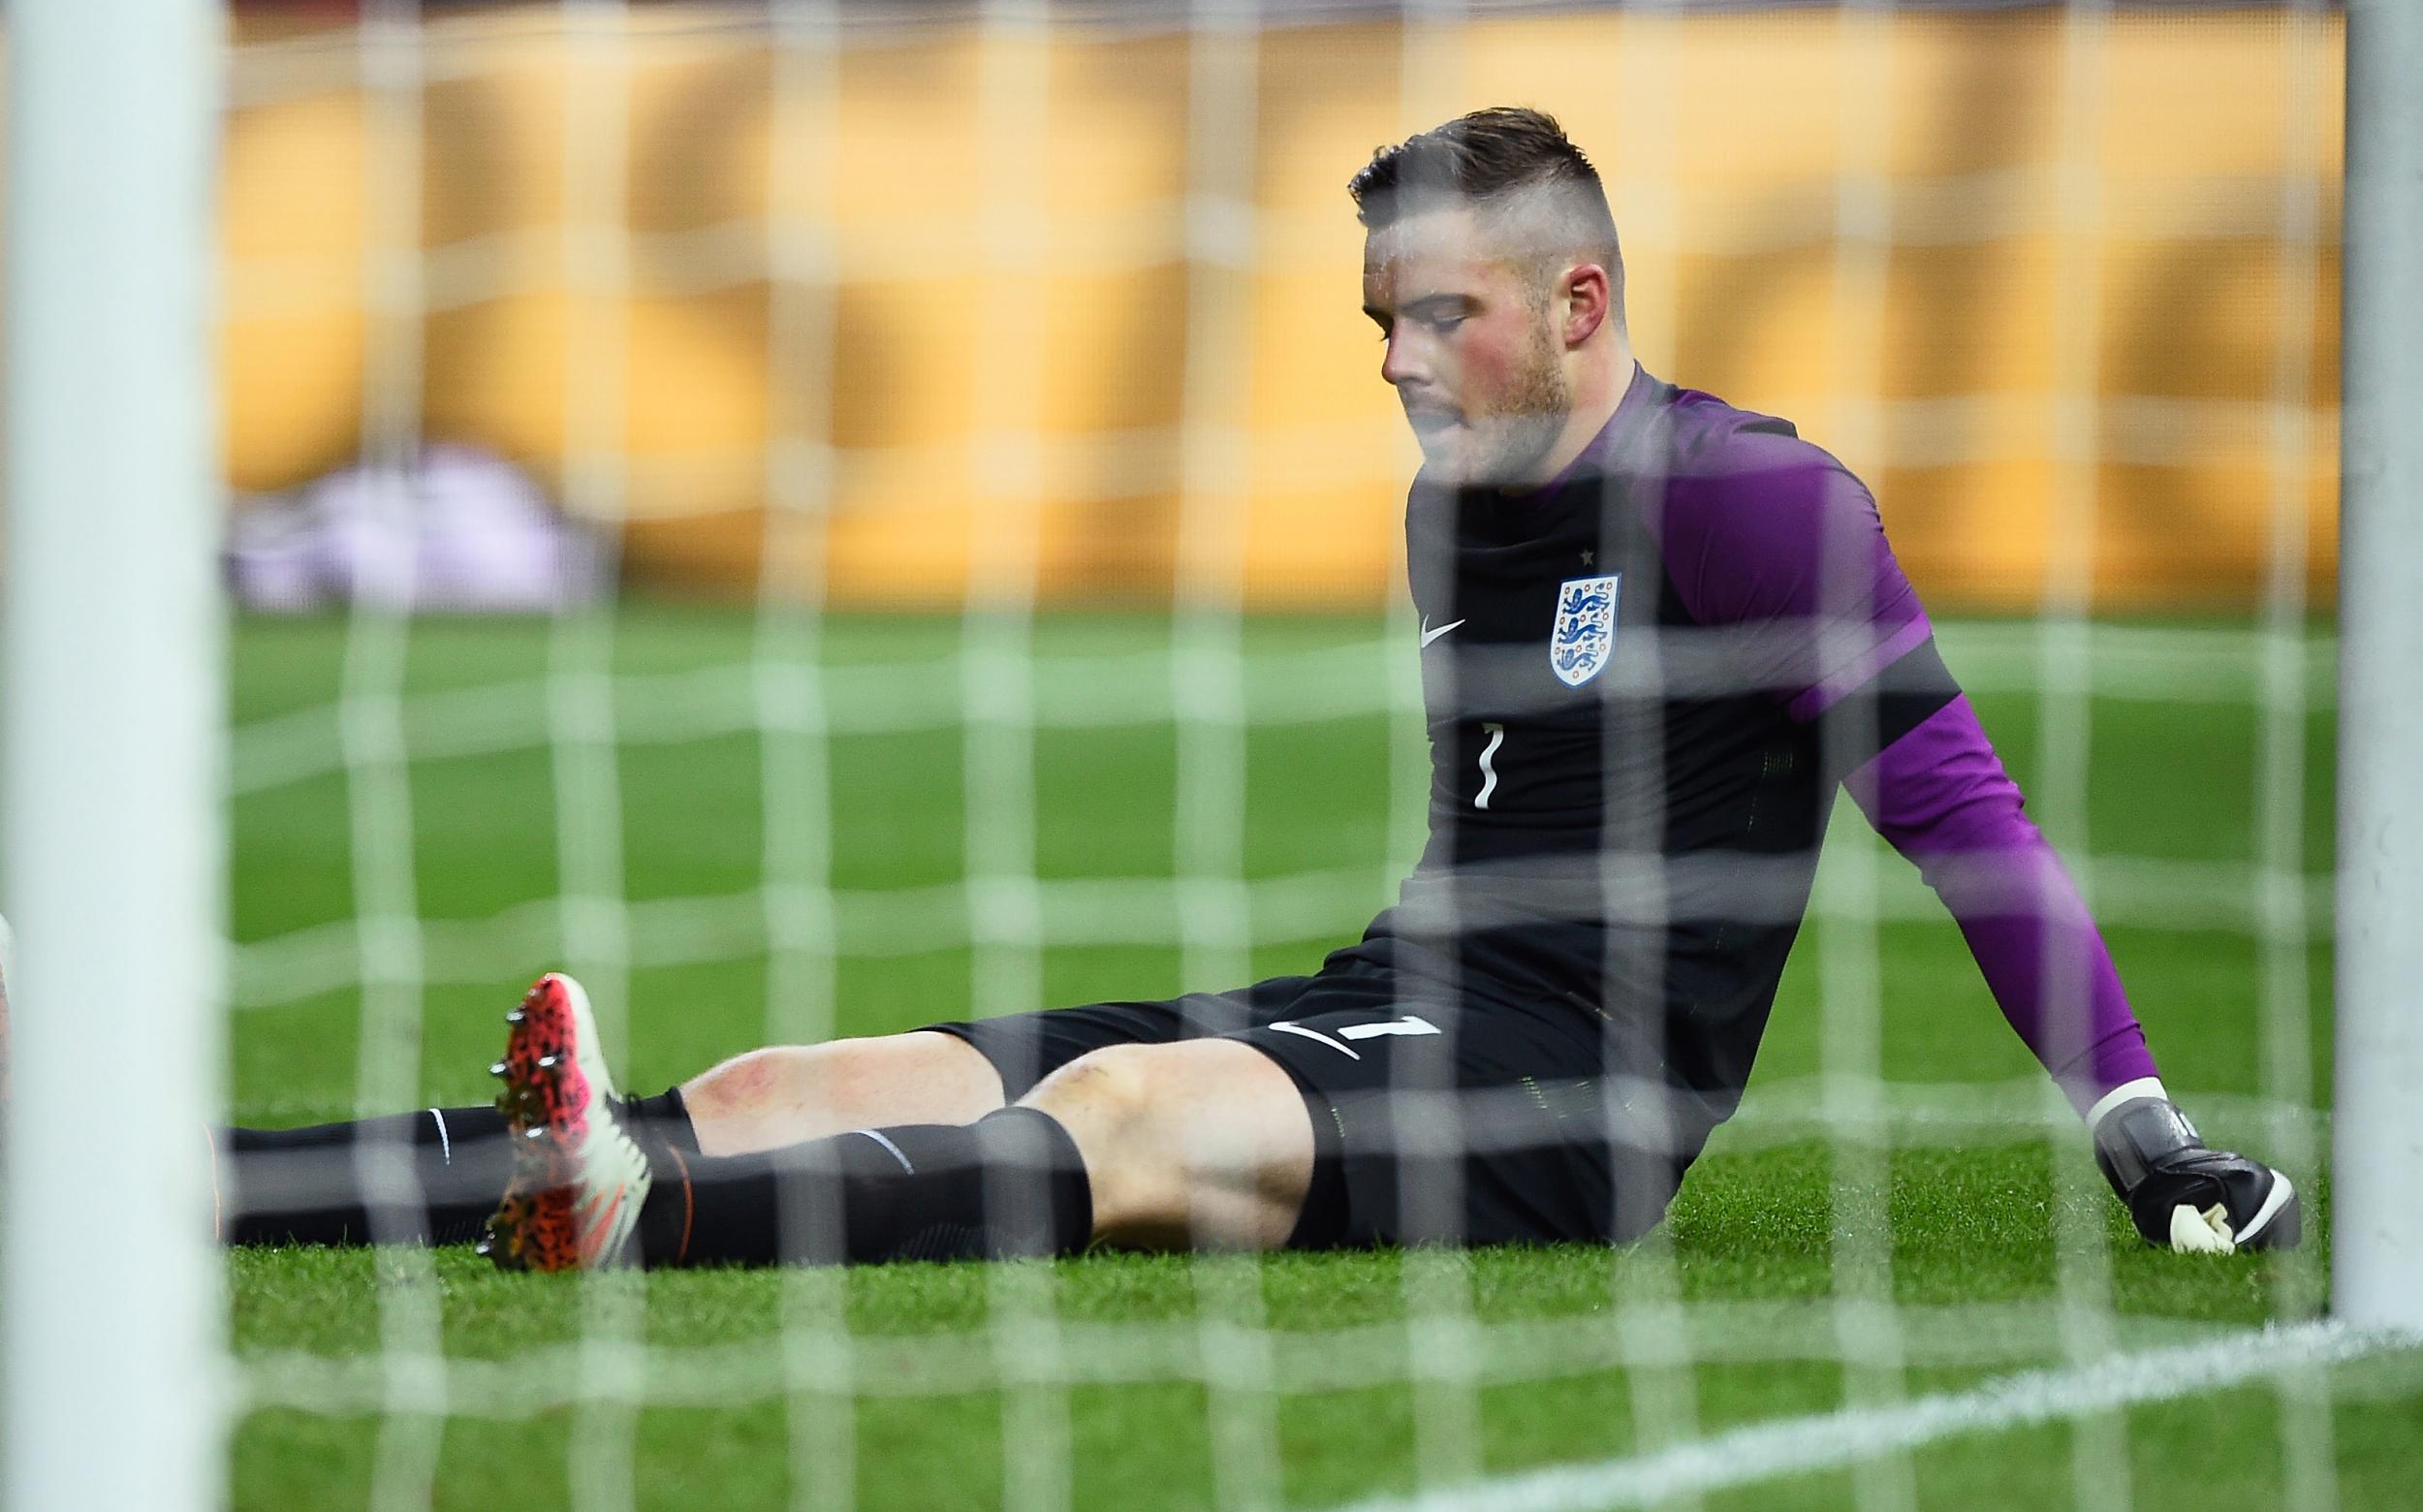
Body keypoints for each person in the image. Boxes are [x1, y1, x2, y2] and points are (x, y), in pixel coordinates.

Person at [216, 108, 2298, 1270]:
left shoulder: (1746, 499)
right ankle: (198, 1179)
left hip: (1575, 1095)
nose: (1392, 361)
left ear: (1579, 304)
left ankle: (631, 1211)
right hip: (1396, 987)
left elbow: (1955, 805)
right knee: (784, 1075)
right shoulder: (1446, 506)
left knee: (1116, 1115)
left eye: (1439, 318)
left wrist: (2134, 1119)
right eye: (1377, 319)